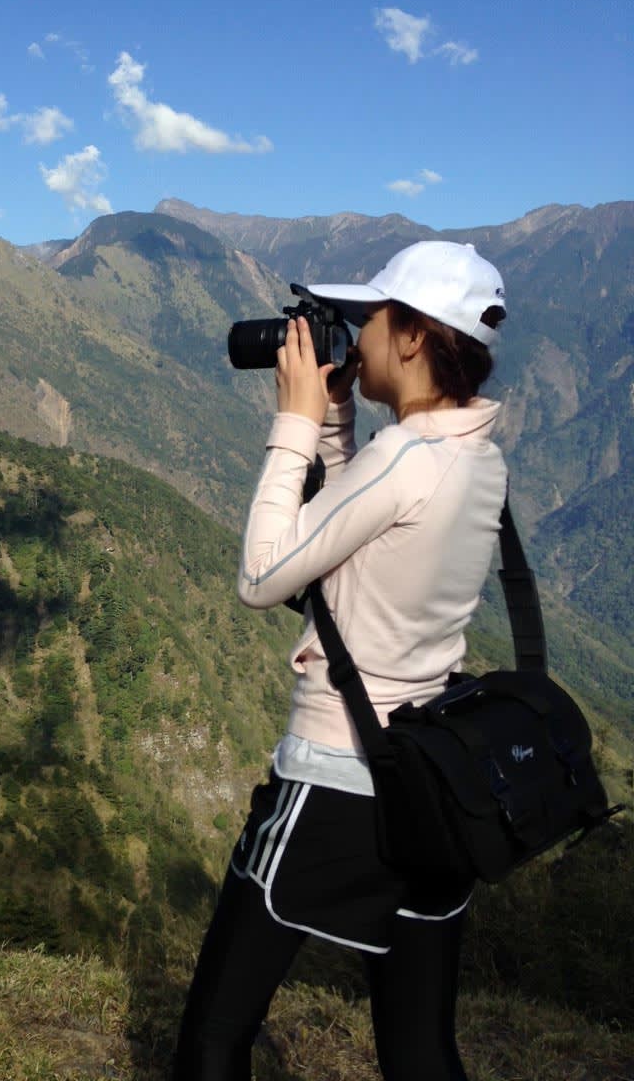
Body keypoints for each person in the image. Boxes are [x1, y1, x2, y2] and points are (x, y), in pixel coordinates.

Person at [173, 240, 508, 1081]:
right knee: (420, 1047)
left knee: (216, 1032)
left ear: (413, 336)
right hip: (427, 786)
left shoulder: (405, 459)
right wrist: (333, 427)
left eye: (368, 320)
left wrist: (290, 425)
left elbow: (263, 577)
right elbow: (357, 541)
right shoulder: (473, 455)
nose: (353, 338)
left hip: (335, 778)